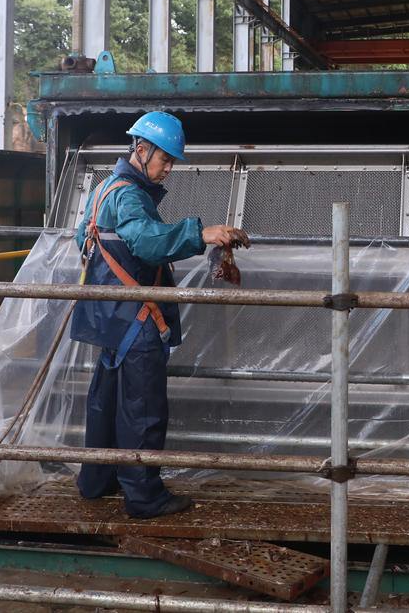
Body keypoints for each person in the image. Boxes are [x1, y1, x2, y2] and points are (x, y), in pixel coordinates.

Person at [70, 112, 248, 518]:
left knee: (106, 402)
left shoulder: (104, 188)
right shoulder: (130, 196)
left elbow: (83, 238)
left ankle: (97, 480)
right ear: (141, 149)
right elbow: (148, 244)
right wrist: (200, 233)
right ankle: (144, 496)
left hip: (111, 319)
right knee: (142, 408)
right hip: (136, 320)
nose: (168, 168)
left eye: (171, 161)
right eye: (164, 159)